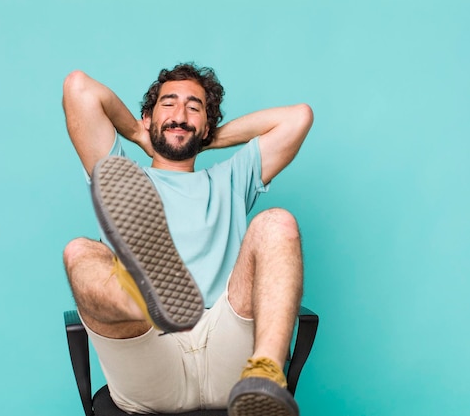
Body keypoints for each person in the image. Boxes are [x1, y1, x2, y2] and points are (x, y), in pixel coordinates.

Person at [62, 62, 313, 416]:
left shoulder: (231, 179)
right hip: (148, 353)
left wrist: (206, 137)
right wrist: (137, 132)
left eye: (194, 108)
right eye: (169, 104)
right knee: (80, 252)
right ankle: (145, 301)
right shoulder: (117, 176)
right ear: (148, 117)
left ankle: (265, 374)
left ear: (206, 125)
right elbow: (79, 88)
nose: (180, 115)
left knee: (278, 222)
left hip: (227, 348)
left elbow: (298, 117)